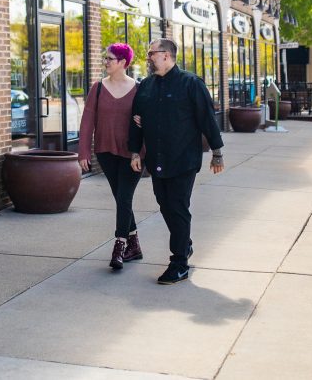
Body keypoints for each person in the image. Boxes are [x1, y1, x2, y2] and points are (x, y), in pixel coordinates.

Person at [128, 38, 224, 285]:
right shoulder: (146, 86)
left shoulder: (191, 83)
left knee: (178, 206)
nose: (148, 58)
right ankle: (185, 243)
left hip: (184, 159)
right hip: (157, 159)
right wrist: (135, 152)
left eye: (152, 53)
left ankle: (179, 263)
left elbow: (207, 119)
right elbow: (136, 120)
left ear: (167, 55)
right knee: (164, 204)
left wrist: (217, 152)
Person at [77, 43, 144, 270]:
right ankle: (134, 245)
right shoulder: (97, 88)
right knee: (121, 197)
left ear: (123, 63)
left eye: (110, 59)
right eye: (105, 58)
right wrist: (83, 151)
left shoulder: (139, 89)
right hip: (105, 151)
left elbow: (150, 119)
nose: (105, 62)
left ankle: (120, 246)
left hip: (133, 154)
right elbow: (87, 122)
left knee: (124, 198)